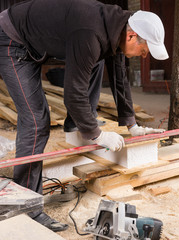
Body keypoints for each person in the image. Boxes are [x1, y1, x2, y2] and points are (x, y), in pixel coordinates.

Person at [0, 0, 168, 232]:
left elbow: (119, 75)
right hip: (13, 40)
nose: (145, 56)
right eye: (144, 50)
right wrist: (97, 134)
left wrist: (132, 124)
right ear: (132, 36)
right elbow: (73, 94)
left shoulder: (121, 25)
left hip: (41, 40)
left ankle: (75, 124)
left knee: (96, 62)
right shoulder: (91, 34)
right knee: (36, 120)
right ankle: (27, 208)